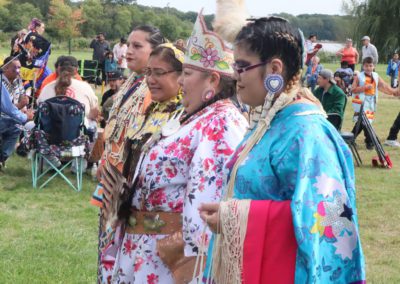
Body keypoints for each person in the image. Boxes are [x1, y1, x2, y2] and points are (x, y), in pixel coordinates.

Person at [198, 13, 366, 283]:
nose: (235, 76)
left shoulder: (306, 132)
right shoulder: (270, 120)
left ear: (274, 69)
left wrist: (237, 218)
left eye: (242, 67)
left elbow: (327, 218)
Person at [100, 12, 248, 283]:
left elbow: (209, 208)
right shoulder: (191, 116)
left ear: (213, 80)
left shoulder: (222, 122)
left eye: (187, 73)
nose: (180, 81)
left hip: (170, 261)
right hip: (142, 250)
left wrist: (189, 263)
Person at [90, 25, 165, 282]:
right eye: (128, 45)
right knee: (107, 251)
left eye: (137, 46)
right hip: (112, 179)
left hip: (127, 185)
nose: (128, 51)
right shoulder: (133, 82)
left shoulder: (153, 90)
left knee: (119, 253)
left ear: (155, 52)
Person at [351, 57, 398, 149]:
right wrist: (363, 88)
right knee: (365, 122)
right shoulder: (359, 77)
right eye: (366, 66)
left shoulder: (376, 75)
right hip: (361, 102)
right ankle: (370, 141)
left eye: (370, 66)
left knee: (362, 122)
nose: (368, 68)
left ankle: (351, 138)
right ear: (363, 66)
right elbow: (353, 90)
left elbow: (383, 86)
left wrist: (393, 92)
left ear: (373, 66)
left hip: (371, 102)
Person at [38, 62, 99, 127]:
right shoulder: (85, 86)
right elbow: (95, 111)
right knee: (93, 123)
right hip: (77, 132)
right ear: (76, 71)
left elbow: (39, 107)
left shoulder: (47, 87)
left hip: (49, 131)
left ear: (58, 70)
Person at [1, 72, 34, 167]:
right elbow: (6, 108)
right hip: (5, 116)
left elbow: (21, 95)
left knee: (16, 125)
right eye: (15, 68)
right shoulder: (2, 83)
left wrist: (23, 107)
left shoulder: (18, 81)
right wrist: (22, 112)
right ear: (6, 69)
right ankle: (2, 157)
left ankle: (3, 157)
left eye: (19, 68)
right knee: (16, 126)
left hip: (12, 115)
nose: (18, 71)